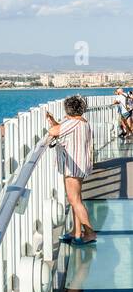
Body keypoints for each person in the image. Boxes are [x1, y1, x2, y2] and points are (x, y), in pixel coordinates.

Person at [47, 95, 96, 244]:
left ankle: (89, 233)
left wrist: (52, 124)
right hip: (79, 165)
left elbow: (53, 132)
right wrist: (54, 121)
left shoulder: (74, 122)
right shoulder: (82, 121)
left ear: (69, 109)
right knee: (77, 199)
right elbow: (61, 130)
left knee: (74, 200)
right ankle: (76, 233)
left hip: (74, 167)